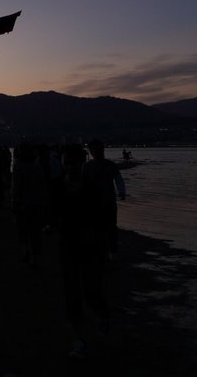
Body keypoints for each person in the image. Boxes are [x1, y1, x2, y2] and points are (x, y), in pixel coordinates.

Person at [57, 144, 110, 360]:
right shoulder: (58, 186)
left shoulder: (91, 187)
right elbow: (54, 211)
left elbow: (102, 219)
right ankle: (78, 340)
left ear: (82, 162)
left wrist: (104, 245)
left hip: (90, 246)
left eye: (74, 162)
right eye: (66, 162)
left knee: (91, 290)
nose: (70, 166)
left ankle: (102, 315)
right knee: (72, 294)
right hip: (67, 246)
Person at [82, 139, 126, 256]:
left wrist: (122, 192)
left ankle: (112, 251)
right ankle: (102, 251)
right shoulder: (87, 166)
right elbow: (83, 184)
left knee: (110, 227)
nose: (96, 152)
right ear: (90, 151)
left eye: (98, 149)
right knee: (98, 227)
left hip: (108, 201)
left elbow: (118, 180)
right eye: (93, 149)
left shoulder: (110, 165)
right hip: (93, 202)